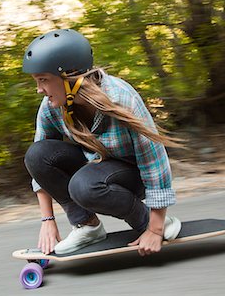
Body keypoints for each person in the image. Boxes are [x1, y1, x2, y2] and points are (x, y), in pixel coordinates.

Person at [22, 29, 182, 257]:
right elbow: (39, 167)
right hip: (97, 168)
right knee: (37, 154)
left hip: (133, 175)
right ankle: (87, 226)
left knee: (83, 185)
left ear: (70, 76)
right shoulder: (51, 107)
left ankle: (153, 222)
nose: (39, 89)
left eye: (43, 80)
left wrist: (155, 228)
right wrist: (47, 219)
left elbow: (154, 161)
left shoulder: (121, 97)